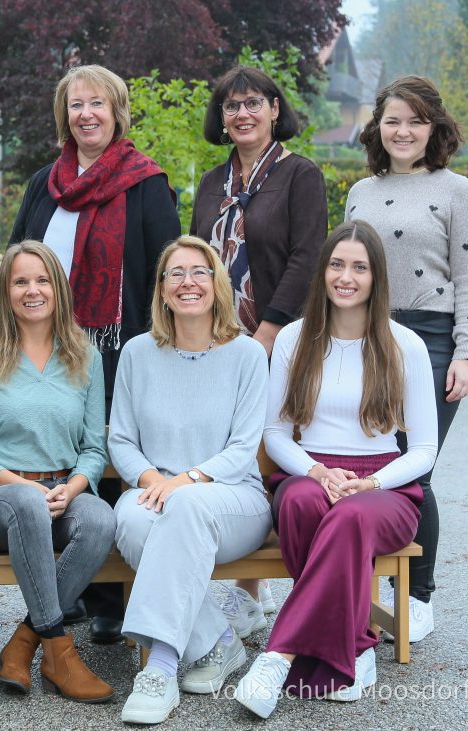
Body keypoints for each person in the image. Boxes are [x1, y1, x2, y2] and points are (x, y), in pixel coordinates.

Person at [233, 221, 437, 719]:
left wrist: (372, 483)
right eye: (337, 265)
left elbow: (424, 449)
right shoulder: (294, 339)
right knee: (301, 505)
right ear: (322, 271)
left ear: (376, 277)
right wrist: (317, 472)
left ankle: (278, 656)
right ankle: (358, 647)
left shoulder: (405, 344)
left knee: (349, 516)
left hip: (385, 487)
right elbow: (275, 432)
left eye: (359, 268)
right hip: (310, 472)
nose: (346, 277)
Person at [9, 64, 180, 643]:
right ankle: (65, 586)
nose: (86, 114)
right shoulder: (45, 183)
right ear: (65, 115)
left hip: (116, 349)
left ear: (116, 112)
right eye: (76, 104)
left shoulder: (145, 183)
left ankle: (110, 598)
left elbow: (162, 272)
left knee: (105, 462)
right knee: (52, 457)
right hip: (45, 350)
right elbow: (18, 256)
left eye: (97, 103)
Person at [345, 75, 468, 643]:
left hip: (431, 339)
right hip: (368, 337)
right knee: (367, 463)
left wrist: (467, 353)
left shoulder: (457, 191)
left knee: (411, 469)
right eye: (393, 120)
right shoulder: (361, 191)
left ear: (434, 129)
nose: (403, 131)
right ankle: (369, 589)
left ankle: (417, 595)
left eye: (415, 121)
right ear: (378, 127)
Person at [110, 236, 272, 725]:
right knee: (130, 522)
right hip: (155, 490)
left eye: (200, 271)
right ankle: (218, 640)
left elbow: (243, 447)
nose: (188, 282)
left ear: (217, 284)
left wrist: (185, 480)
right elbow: (121, 439)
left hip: (233, 498)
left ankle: (159, 668)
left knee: (183, 507)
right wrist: (151, 480)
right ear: (162, 289)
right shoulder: (138, 353)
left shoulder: (246, 354)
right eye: (176, 273)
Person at [0, 241, 117, 704]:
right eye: (20, 281)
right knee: (26, 503)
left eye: (42, 280)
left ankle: (23, 642)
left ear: (58, 288)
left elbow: (92, 448)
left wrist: (74, 488)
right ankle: (59, 652)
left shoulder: (84, 354)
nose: (32, 290)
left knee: (101, 519)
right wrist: (23, 486)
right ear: (6, 290)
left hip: (60, 490)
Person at [191, 65, 327, 624]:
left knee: (269, 453)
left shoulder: (300, 175)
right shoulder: (211, 183)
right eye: (231, 105)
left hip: (279, 339)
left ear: (275, 109)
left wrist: (267, 333)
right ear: (221, 118)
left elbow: (308, 256)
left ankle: (257, 588)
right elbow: (196, 259)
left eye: (253, 102)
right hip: (215, 343)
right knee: (225, 450)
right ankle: (248, 586)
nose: (242, 113)